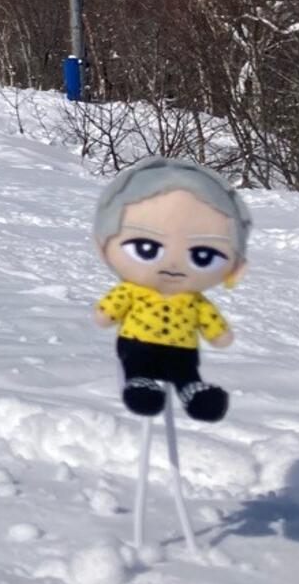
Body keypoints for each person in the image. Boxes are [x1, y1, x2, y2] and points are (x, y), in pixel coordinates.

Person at [91, 158, 249, 422]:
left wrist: (218, 333)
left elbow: (208, 318)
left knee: (185, 374)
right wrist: (107, 313)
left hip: (181, 351)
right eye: (146, 249)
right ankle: (141, 384)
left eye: (201, 255)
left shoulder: (193, 299)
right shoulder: (134, 289)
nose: (174, 264)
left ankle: (194, 392)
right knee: (138, 368)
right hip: (138, 345)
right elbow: (113, 306)